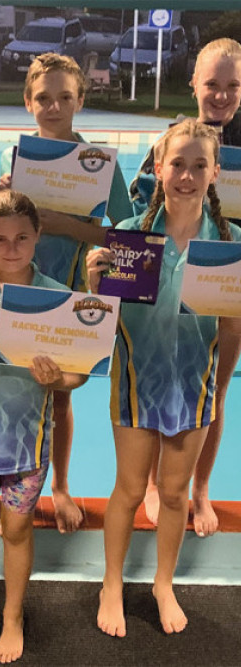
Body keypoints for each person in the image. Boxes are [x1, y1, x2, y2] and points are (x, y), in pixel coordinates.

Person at [88, 119, 241, 637]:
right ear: (158, 168)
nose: (187, 175)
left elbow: (232, 323)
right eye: (178, 164)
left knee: (174, 495)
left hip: (192, 386)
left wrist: (220, 383)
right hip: (135, 381)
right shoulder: (129, 240)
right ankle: (111, 581)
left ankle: (162, 582)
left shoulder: (229, 242)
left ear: (215, 172)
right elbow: (98, 322)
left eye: (200, 166)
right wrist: (95, 285)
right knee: (130, 490)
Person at [0, 189, 87, 662]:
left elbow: (79, 373)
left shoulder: (58, 299)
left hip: (29, 446)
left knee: (19, 530)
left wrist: (59, 377)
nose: (11, 248)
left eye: (22, 237)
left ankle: (13, 616)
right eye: (0, 238)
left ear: (37, 236)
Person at [0, 53, 133, 534]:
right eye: (44, 98)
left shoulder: (100, 165)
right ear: (28, 101)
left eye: (65, 98)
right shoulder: (20, 161)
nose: (54, 107)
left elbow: (125, 239)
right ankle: (3, 480)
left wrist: (65, 226)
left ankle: (60, 487)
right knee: (9, 390)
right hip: (14, 296)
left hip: (69, 297)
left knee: (58, 396)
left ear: (80, 100)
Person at [129, 38, 241, 537]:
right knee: (158, 378)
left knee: (213, 391)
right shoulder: (168, 143)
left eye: (232, 86)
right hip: (170, 279)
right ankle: (156, 484)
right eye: (212, 84)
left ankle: (199, 489)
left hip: (227, 290)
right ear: (194, 84)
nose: (220, 95)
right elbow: (137, 211)